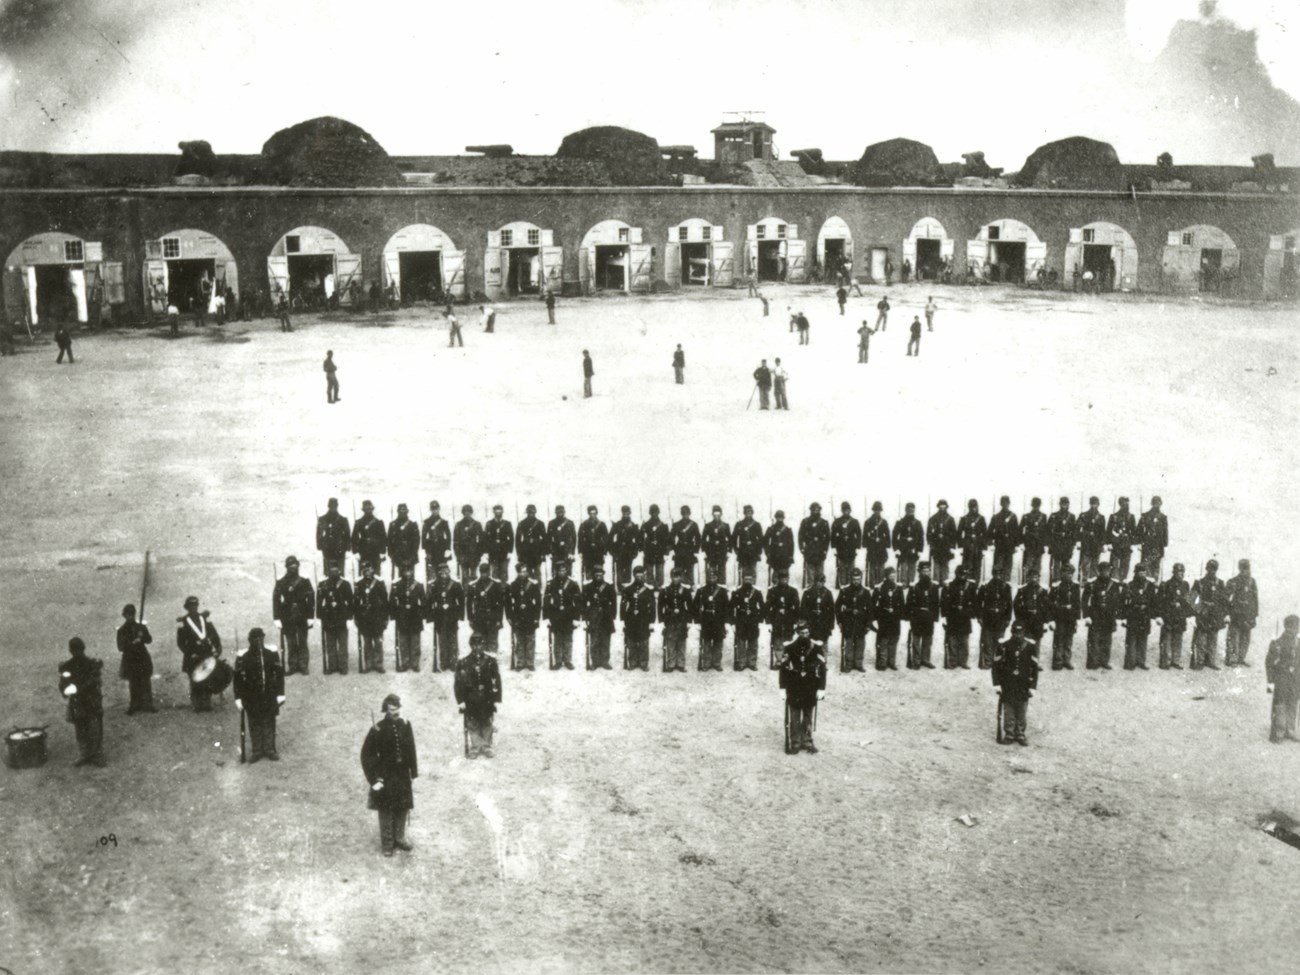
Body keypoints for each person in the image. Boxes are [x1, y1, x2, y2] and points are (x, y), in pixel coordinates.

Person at [361, 694, 418, 857]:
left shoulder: (406, 725)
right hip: (385, 775)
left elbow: (411, 749)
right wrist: (373, 780)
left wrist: (413, 772)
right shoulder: (377, 729)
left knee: (403, 806)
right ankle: (387, 843)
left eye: (398, 709)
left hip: (402, 775)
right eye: (393, 710)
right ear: (385, 710)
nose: (396, 712)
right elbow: (366, 755)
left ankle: (399, 838)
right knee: (386, 809)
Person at [234, 628, 285, 763]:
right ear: (250, 641)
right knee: (254, 722)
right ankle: (257, 750)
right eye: (255, 639)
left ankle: (269, 749)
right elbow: (237, 679)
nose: (258, 641)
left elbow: (279, 675)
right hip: (251, 696)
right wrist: (238, 698)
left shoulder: (271, 654)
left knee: (269, 722)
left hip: (269, 694)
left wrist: (280, 694)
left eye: (261, 638)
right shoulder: (243, 657)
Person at [780, 621, 826, 755]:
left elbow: (822, 669)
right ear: (797, 633)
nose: (804, 635)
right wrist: (782, 688)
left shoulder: (816, 648)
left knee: (807, 715)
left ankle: (807, 741)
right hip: (794, 686)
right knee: (794, 715)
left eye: (806, 633)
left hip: (810, 686)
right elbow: (783, 669)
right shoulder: (790, 648)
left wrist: (821, 688)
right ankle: (795, 742)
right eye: (801, 633)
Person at [59, 637, 105, 766]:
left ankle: (97, 755)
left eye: (78, 650)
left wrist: (77, 688)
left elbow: (95, 681)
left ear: (83, 649)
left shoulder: (92, 664)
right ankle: (84, 754)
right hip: (77, 702)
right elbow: (63, 683)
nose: (76, 652)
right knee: (80, 729)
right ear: (70, 651)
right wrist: (64, 689)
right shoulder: (67, 666)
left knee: (95, 728)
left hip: (91, 701)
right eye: (74, 650)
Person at [993, 622, 1039, 746]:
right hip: (1008, 683)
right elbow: (996, 666)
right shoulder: (1004, 646)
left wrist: (1033, 686)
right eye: (1016, 632)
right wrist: (997, 684)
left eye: (1020, 632)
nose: (1018, 635)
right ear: (1012, 632)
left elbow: (1034, 669)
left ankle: (1020, 733)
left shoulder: (1030, 646)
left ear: (1024, 633)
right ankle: (1009, 733)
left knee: (1022, 709)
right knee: (1008, 708)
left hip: (1023, 683)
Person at [176, 596, 223, 712]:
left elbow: (214, 635)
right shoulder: (184, 622)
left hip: (205, 653)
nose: (194, 608)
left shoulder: (203, 619)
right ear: (187, 608)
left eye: (195, 606)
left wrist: (217, 649)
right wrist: (189, 653)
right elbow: (181, 642)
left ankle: (206, 703)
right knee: (195, 679)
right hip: (192, 655)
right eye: (191, 606)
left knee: (207, 677)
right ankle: (197, 704)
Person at [273, 556, 316, 676]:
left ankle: (303, 665)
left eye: (295, 566)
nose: (293, 568)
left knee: (302, 641)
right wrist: (276, 618)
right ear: (286, 567)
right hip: (287, 616)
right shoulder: (281, 581)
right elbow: (276, 600)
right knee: (291, 642)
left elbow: (311, 598)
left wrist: (310, 616)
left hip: (302, 614)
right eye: (291, 566)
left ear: (298, 566)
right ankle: (292, 665)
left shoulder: (304, 580)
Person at [116, 603, 155, 714]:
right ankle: (134, 705)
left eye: (132, 614)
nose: (130, 617)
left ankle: (148, 704)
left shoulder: (141, 627)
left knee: (145, 680)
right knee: (133, 682)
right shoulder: (122, 630)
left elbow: (149, 640)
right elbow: (120, 647)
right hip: (130, 659)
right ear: (124, 615)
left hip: (142, 657)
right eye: (128, 614)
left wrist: (142, 636)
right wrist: (133, 642)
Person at [1083, 561, 1122, 670]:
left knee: (1107, 640)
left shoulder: (1114, 585)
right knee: (1093, 640)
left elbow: (1118, 601)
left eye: (1107, 570)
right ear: (1098, 571)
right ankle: (1093, 662)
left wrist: (1117, 616)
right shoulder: (1091, 584)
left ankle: (1104, 661)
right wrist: (1086, 615)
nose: (1105, 572)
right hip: (1095, 615)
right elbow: (1084, 600)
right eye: (1103, 570)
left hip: (1108, 616)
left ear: (1110, 571)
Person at [542, 561, 582, 670]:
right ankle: (558, 661)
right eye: (560, 570)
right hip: (556, 615)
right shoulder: (551, 583)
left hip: (568, 615)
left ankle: (568, 660)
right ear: (556, 571)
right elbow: (546, 601)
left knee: (568, 638)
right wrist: (546, 617)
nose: (562, 572)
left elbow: (578, 602)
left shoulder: (573, 583)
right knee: (558, 639)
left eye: (564, 570)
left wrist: (576, 618)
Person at [1266, 616, 1300, 743]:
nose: (1295, 630)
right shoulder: (1277, 643)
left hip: (1295, 680)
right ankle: (1278, 732)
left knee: (1293, 703)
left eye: (1296, 627)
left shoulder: (1299, 643)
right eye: (1293, 628)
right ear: (1287, 628)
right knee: (1280, 704)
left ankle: (1290, 729)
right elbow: (1269, 664)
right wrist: (1270, 684)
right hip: (1281, 679)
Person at [316, 563, 353, 675]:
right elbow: (319, 602)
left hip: (341, 617)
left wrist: (350, 618)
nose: (334, 573)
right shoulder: (322, 584)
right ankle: (332, 666)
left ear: (339, 572)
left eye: (336, 571)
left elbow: (350, 602)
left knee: (342, 644)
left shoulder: (345, 584)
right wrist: (319, 618)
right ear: (328, 572)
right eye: (331, 571)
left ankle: (343, 666)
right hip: (328, 618)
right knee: (330, 644)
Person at [835, 568, 874, 672]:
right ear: (851, 579)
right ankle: (848, 664)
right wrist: (839, 621)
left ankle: (858, 664)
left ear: (861, 579)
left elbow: (870, 610)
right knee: (849, 644)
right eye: (854, 579)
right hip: (848, 622)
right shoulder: (845, 591)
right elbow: (837, 606)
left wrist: (868, 624)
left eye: (858, 579)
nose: (856, 581)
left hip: (861, 622)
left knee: (860, 644)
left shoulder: (866, 592)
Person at [428, 564, 465, 672]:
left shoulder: (455, 585)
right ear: (438, 573)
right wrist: (431, 616)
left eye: (445, 571)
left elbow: (461, 601)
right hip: (439, 616)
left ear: (449, 572)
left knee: (453, 639)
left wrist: (459, 615)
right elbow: (430, 601)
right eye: (441, 572)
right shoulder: (434, 585)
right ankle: (444, 662)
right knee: (442, 640)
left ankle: (453, 662)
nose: (444, 574)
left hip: (452, 616)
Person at [1190, 559, 1227, 670]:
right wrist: (1200, 609)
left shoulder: (1220, 583)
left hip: (1214, 615)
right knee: (1201, 639)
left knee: (1213, 639)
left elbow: (1224, 601)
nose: (1212, 571)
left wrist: (1221, 613)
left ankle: (1210, 661)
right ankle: (1200, 661)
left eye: (1214, 569)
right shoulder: (1199, 583)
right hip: (1203, 615)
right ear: (1206, 569)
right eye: (1210, 568)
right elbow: (1191, 599)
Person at [505, 562, 542, 670]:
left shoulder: (533, 584)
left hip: (530, 616)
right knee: (520, 640)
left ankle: (530, 662)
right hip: (518, 616)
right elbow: (508, 603)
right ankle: (520, 662)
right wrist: (509, 617)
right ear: (518, 572)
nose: (523, 574)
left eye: (525, 571)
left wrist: (536, 617)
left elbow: (538, 603)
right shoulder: (512, 585)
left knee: (530, 640)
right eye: (521, 572)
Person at [389, 564, 426, 672]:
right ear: (402, 572)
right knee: (403, 641)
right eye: (405, 571)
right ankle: (405, 663)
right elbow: (392, 601)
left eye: (409, 571)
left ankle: (415, 663)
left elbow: (424, 601)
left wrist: (420, 613)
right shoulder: (397, 585)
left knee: (415, 642)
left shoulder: (418, 585)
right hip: (402, 616)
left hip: (415, 616)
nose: (407, 573)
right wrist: (395, 615)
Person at [354, 562, 389, 673]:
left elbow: (385, 601)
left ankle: (378, 664)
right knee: (367, 642)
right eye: (365, 569)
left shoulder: (379, 582)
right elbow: (356, 602)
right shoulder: (359, 583)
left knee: (378, 642)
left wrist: (385, 618)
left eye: (369, 569)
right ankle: (368, 664)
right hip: (365, 618)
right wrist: (357, 617)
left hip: (377, 617)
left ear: (373, 570)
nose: (367, 571)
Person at [941, 566, 979, 668]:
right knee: (952, 640)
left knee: (964, 640)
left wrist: (974, 614)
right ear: (956, 574)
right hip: (953, 616)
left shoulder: (970, 586)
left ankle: (963, 662)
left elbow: (975, 601)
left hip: (965, 617)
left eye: (964, 574)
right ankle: (953, 661)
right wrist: (945, 615)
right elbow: (944, 602)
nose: (962, 577)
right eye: (960, 574)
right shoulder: (949, 586)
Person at [905, 561, 941, 669]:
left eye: (928, 571)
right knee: (916, 639)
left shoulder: (934, 587)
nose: (926, 573)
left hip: (929, 617)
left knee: (928, 638)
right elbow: (909, 603)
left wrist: (935, 617)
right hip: (917, 617)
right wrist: (911, 617)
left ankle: (925, 660)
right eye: (924, 571)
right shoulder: (914, 587)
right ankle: (916, 661)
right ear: (919, 572)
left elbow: (936, 603)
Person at [620, 565, 657, 670]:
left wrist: (651, 621)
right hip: (631, 619)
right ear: (634, 576)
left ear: (644, 576)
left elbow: (653, 606)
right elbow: (623, 605)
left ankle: (644, 663)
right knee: (631, 641)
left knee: (644, 641)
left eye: (641, 576)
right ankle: (632, 662)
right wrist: (623, 619)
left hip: (643, 619)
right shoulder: (628, 590)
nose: (639, 578)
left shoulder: (648, 591)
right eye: (637, 576)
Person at [580, 566, 617, 669]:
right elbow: (583, 603)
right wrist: (585, 616)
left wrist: (612, 615)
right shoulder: (587, 587)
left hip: (606, 616)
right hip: (593, 616)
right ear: (593, 575)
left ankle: (605, 661)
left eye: (600, 575)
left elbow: (614, 603)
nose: (599, 577)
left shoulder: (609, 587)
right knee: (594, 640)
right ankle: (595, 661)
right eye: (596, 575)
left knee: (605, 640)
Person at [1122, 564, 1158, 670]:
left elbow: (1153, 601)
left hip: (1145, 616)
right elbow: (1124, 602)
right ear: (1135, 573)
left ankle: (1141, 661)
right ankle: (1130, 662)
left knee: (1143, 640)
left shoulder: (1150, 585)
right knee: (1131, 640)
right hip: (1133, 616)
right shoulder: (1129, 585)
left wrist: (1151, 613)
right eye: (1140, 572)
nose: (1142, 575)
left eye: (1144, 573)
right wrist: (1124, 615)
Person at [977, 566, 1013, 668]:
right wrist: (979, 617)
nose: (998, 576)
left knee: (999, 641)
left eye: (1000, 574)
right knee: (987, 641)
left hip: (1000, 618)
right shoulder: (985, 586)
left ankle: (997, 662)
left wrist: (1008, 618)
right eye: (996, 573)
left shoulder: (1006, 587)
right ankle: (987, 662)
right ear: (993, 574)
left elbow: (1009, 605)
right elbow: (978, 602)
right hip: (988, 617)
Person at [1158, 563, 1193, 669]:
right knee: (1167, 639)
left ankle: (1175, 661)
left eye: (1182, 572)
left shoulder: (1185, 585)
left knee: (1178, 639)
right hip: (1169, 616)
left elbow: (1189, 601)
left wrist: (1188, 613)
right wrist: (1170, 606)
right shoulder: (1166, 584)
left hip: (1180, 617)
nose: (1181, 574)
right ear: (1174, 572)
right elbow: (1160, 602)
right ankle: (1165, 661)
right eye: (1179, 572)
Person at [658, 568, 693, 672]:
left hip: (682, 619)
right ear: (671, 577)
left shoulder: (686, 591)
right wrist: (662, 621)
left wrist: (689, 620)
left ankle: (681, 664)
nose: (676, 579)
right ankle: (671, 664)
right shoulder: (665, 591)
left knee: (682, 642)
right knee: (670, 642)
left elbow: (690, 607)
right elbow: (660, 607)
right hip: (670, 619)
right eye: (674, 577)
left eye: (678, 576)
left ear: (681, 578)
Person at [1225, 559, 1259, 667]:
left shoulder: (1252, 582)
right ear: (1240, 568)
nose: (1246, 570)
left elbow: (1255, 599)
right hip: (1236, 614)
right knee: (1233, 637)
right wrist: (1229, 610)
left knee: (1245, 638)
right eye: (1243, 568)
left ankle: (1241, 658)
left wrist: (1254, 614)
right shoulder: (1234, 581)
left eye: (1247, 567)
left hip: (1248, 615)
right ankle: (1231, 659)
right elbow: (1225, 596)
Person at [694, 570, 730, 671]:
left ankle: (717, 663)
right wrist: (697, 622)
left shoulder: (722, 591)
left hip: (718, 621)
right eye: (710, 577)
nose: (712, 578)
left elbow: (727, 607)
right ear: (707, 578)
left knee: (718, 643)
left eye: (714, 577)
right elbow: (695, 606)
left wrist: (726, 622)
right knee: (706, 643)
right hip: (706, 620)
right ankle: (706, 663)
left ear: (717, 578)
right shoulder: (701, 591)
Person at [1049, 564, 1083, 670]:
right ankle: (1057, 661)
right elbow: (1050, 603)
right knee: (1058, 639)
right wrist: (1051, 619)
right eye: (1066, 573)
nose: (1068, 575)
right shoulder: (1056, 587)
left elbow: (1078, 603)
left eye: (1070, 573)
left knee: (1069, 640)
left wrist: (1077, 619)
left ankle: (1067, 660)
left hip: (1071, 618)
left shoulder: (1075, 586)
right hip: (1059, 617)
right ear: (1061, 574)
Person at [731, 570, 765, 671]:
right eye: (746, 579)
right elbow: (730, 607)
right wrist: (733, 621)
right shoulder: (737, 592)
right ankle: (741, 662)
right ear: (742, 579)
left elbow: (763, 607)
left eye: (750, 579)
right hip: (741, 620)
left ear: (753, 580)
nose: (748, 581)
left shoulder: (757, 593)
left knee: (753, 642)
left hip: (753, 620)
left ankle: (752, 662)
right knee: (741, 641)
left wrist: (759, 618)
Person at [873, 567, 905, 670]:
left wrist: (897, 613)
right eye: (891, 576)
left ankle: (892, 662)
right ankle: (882, 662)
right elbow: (873, 604)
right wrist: (879, 615)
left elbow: (902, 605)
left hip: (895, 618)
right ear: (886, 577)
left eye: (894, 575)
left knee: (894, 639)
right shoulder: (879, 588)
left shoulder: (898, 588)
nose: (893, 578)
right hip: (884, 618)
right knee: (884, 640)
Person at [798, 502, 831, 588]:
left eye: (817, 509)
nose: (815, 511)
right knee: (810, 575)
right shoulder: (805, 522)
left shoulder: (824, 522)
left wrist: (825, 550)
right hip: (809, 551)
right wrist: (802, 548)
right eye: (814, 510)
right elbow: (800, 536)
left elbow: (827, 538)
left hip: (820, 551)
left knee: (820, 574)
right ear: (811, 510)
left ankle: (819, 591)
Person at [351, 500, 387, 577]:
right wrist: (355, 552)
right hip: (363, 551)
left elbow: (383, 538)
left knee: (376, 573)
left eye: (370, 508)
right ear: (363, 510)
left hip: (375, 551)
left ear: (372, 509)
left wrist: (382, 552)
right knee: (364, 572)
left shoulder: (378, 522)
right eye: (366, 509)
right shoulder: (359, 522)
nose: (368, 510)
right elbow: (354, 538)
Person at [1047, 497, 1079, 584]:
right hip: (1057, 543)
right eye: (1062, 503)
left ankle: (1065, 581)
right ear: (1060, 504)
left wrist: (1073, 544)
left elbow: (1075, 531)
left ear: (1068, 505)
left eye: (1066, 504)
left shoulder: (1072, 517)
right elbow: (1048, 531)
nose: (1064, 505)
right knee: (1056, 565)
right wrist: (1050, 544)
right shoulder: (1054, 516)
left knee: (1066, 565)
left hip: (1067, 544)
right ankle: (1056, 581)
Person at [609, 506, 642, 586]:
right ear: (622, 513)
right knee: (619, 568)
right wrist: (612, 549)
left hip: (629, 550)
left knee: (628, 568)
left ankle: (626, 585)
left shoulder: (633, 525)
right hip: (619, 550)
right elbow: (610, 537)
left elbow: (638, 539)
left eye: (627, 513)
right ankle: (620, 586)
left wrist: (635, 550)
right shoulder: (617, 524)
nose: (626, 515)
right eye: (624, 513)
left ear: (629, 513)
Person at [988, 497, 1020, 581]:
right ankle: (996, 583)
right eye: (1003, 503)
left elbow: (1016, 531)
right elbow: (990, 531)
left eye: (1007, 503)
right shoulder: (996, 517)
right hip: (999, 545)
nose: (1005, 505)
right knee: (998, 566)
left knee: (1008, 567)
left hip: (1009, 545)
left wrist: (1016, 545)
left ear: (1009, 504)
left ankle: (1005, 585)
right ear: (1001, 504)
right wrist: (990, 543)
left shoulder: (1013, 517)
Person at [831, 502, 862, 588]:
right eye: (845, 510)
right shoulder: (837, 522)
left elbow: (859, 535)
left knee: (851, 569)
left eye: (848, 510)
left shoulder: (855, 522)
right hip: (841, 548)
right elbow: (833, 535)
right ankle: (842, 586)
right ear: (842, 510)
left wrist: (857, 547)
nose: (846, 512)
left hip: (851, 548)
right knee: (842, 568)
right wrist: (834, 547)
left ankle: (850, 586)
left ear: (850, 510)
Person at [892, 502, 924, 585]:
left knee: (912, 567)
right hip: (903, 549)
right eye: (909, 509)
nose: (910, 511)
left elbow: (921, 537)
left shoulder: (917, 523)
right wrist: (896, 549)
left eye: (912, 510)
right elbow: (894, 536)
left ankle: (911, 585)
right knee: (903, 567)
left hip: (913, 549)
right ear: (905, 510)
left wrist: (920, 549)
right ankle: (903, 585)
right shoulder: (900, 522)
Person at [926, 500, 958, 584]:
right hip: (936, 546)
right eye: (941, 506)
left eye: (944, 506)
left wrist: (952, 546)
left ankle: (944, 581)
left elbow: (954, 534)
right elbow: (928, 533)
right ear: (938, 506)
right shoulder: (933, 519)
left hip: (946, 546)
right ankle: (936, 582)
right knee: (936, 564)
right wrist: (931, 543)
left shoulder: (950, 519)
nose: (942, 507)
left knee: (945, 564)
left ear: (946, 507)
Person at [1106, 497, 1137, 581]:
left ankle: (1123, 580)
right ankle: (1114, 581)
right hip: (1116, 543)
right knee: (1114, 564)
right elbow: (1108, 531)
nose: (1126, 505)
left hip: (1127, 543)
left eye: (1127, 503)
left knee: (1125, 564)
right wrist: (1109, 543)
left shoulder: (1131, 517)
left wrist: (1132, 542)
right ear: (1120, 504)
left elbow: (1134, 531)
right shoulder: (1113, 516)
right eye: (1124, 504)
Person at [316, 498, 350, 574]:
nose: (333, 507)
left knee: (340, 571)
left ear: (337, 506)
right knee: (328, 571)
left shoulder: (343, 519)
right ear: (328, 506)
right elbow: (319, 533)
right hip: (327, 548)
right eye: (331, 506)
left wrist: (347, 547)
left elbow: (347, 534)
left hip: (340, 549)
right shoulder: (323, 519)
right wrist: (320, 545)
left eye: (335, 505)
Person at [640, 504, 671, 589]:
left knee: (659, 568)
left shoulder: (664, 526)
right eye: (653, 512)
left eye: (656, 512)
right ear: (650, 513)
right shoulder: (646, 525)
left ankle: (659, 585)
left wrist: (666, 551)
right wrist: (642, 549)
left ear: (658, 513)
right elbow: (640, 537)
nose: (654, 514)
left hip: (659, 549)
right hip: (649, 549)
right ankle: (650, 585)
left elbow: (667, 538)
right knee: (649, 568)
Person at [453, 505, 484, 586]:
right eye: (465, 512)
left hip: (474, 555)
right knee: (465, 577)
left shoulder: (477, 524)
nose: (467, 514)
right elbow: (455, 541)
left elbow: (481, 541)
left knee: (474, 576)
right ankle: (465, 594)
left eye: (469, 512)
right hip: (463, 555)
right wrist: (458, 555)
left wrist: (479, 554)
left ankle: (473, 595)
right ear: (463, 513)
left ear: (471, 513)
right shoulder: (458, 525)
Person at [958, 499, 988, 582]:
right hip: (967, 546)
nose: (973, 509)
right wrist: (961, 545)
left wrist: (984, 546)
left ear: (977, 507)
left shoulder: (981, 519)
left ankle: (976, 584)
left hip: (978, 546)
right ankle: (966, 584)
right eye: (971, 507)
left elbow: (985, 534)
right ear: (969, 507)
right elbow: (959, 533)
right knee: (966, 566)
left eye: (975, 507)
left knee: (977, 566)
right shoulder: (964, 519)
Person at [1138, 496, 1168, 578]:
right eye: (1155, 503)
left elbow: (1165, 532)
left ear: (1161, 504)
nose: (1157, 505)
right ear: (1152, 504)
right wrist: (1140, 541)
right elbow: (1139, 530)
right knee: (1145, 566)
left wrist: (1164, 545)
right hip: (1147, 546)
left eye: (1158, 503)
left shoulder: (1163, 517)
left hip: (1157, 547)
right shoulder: (1145, 516)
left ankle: (1154, 585)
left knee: (1156, 567)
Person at [481, 506, 514, 583]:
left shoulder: (507, 524)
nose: (498, 513)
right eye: (496, 512)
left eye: (500, 512)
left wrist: (510, 551)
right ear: (494, 512)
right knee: (494, 573)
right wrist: (486, 551)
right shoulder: (489, 523)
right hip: (493, 552)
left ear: (502, 512)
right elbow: (485, 538)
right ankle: (495, 592)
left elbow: (511, 538)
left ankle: (504, 591)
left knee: (504, 572)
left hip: (504, 552)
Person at [763, 510, 795, 586]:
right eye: (778, 517)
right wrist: (768, 553)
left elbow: (791, 544)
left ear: (783, 518)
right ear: (776, 518)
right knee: (775, 576)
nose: (779, 519)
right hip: (774, 556)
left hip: (785, 556)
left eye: (781, 517)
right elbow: (765, 542)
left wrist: (791, 556)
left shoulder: (787, 530)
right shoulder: (771, 529)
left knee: (784, 575)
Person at [733, 505, 764, 583]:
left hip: (753, 552)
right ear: (744, 513)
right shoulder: (739, 524)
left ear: (752, 513)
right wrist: (736, 549)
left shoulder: (757, 525)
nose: (749, 514)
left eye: (750, 512)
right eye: (747, 512)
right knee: (743, 572)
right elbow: (734, 538)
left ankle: (752, 587)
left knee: (753, 572)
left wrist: (759, 551)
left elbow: (761, 539)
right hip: (742, 552)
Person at [387, 504, 420, 577]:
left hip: (410, 553)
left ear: (407, 512)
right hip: (398, 554)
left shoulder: (412, 524)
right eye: (400, 511)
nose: (402, 513)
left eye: (404, 511)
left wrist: (413, 554)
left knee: (410, 575)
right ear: (398, 512)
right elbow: (389, 541)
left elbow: (416, 541)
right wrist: (391, 554)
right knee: (400, 577)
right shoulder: (393, 524)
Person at [422, 501, 452, 579]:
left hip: (441, 547)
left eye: (436, 509)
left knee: (442, 568)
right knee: (431, 570)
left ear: (439, 509)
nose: (435, 511)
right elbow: (423, 536)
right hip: (431, 547)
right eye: (433, 509)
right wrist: (424, 548)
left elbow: (448, 535)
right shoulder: (427, 522)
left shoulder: (444, 522)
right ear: (430, 510)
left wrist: (448, 548)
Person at [1020, 498, 1048, 584]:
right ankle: (1026, 582)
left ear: (1039, 506)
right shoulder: (1026, 516)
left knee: (1038, 566)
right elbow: (1020, 529)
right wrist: (1022, 542)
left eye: (1037, 505)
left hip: (1039, 544)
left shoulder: (1043, 516)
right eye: (1034, 505)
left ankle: (1036, 582)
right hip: (1029, 543)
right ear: (1032, 505)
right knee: (1028, 564)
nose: (1036, 507)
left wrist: (1045, 543)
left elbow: (1045, 531)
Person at [1078, 497, 1106, 582]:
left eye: (1096, 504)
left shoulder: (1101, 517)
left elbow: (1102, 532)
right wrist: (1079, 540)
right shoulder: (1084, 515)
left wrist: (1102, 544)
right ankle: (1084, 580)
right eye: (1092, 503)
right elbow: (1078, 528)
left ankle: (1093, 581)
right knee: (1085, 563)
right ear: (1090, 504)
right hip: (1086, 543)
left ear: (1098, 504)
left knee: (1095, 564)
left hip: (1096, 544)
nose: (1094, 506)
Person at [701, 507, 732, 586]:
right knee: (711, 569)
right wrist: (704, 550)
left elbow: (730, 539)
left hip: (722, 551)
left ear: (721, 514)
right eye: (715, 514)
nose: (716, 516)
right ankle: (711, 585)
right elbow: (703, 539)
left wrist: (729, 551)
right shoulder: (708, 525)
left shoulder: (725, 526)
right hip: (711, 551)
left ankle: (722, 585)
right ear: (712, 515)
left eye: (718, 514)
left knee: (722, 569)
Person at [671, 505, 702, 583]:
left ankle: (690, 584)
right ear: (681, 514)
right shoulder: (676, 524)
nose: (685, 515)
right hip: (680, 548)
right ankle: (679, 584)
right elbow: (671, 537)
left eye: (687, 513)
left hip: (690, 548)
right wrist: (674, 548)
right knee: (678, 568)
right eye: (684, 513)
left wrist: (696, 549)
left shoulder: (694, 525)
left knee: (689, 568)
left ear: (689, 514)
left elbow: (698, 538)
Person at [578, 506, 609, 582]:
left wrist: (605, 551)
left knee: (598, 570)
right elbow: (580, 539)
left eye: (594, 513)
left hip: (598, 551)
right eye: (591, 513)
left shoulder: (602, 524)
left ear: (596, 513)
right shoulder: (584, 524)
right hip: (587, 552)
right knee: (588, 571)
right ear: (588, 514)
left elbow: (606, 539)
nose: (592, 515)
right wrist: (580, 551)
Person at [862, 502, 890, 586]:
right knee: (872, 569)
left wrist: (883, 543)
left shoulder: (884, 522)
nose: (877, 512)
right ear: (873, 510)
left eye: (878, 510)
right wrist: (867, 545)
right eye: (876, 510)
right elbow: (864, 537)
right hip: (872, 549)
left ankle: (880, 585)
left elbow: (888, 537)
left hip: (881, 550)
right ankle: (872, 585)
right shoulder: (868, 522)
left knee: (881, 568)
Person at [547, 505, 577, 576]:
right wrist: (550, 552)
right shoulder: (552, 523)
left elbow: (574, 538)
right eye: (558, 512)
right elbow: (548, 539)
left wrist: (572, 552)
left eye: (561, 512)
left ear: (564, 512)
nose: (560, 514)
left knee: (568, 572)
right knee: (555, 572)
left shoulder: (570, 523)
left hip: (567, 551)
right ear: (555, 513)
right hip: (556, 551)